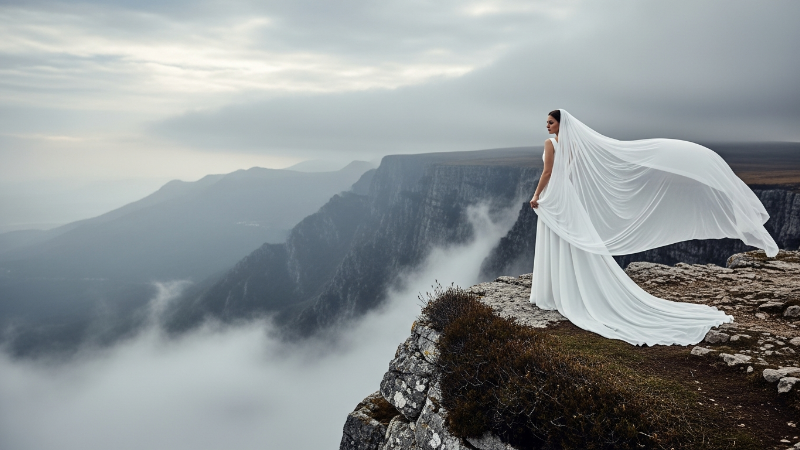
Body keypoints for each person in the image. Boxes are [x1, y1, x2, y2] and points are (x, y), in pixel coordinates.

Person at [528, 109, 778, 346]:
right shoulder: (572, 145)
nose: (547, 126)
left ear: (561, 124)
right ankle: (566, 290)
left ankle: (554, 291)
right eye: (547, 122)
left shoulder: (551, 144)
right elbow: (569, 173)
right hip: (568, 198)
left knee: (560, 241)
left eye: (550, 122)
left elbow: (548, 172)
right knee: (570, 242)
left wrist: (537, 196)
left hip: (555, 197)